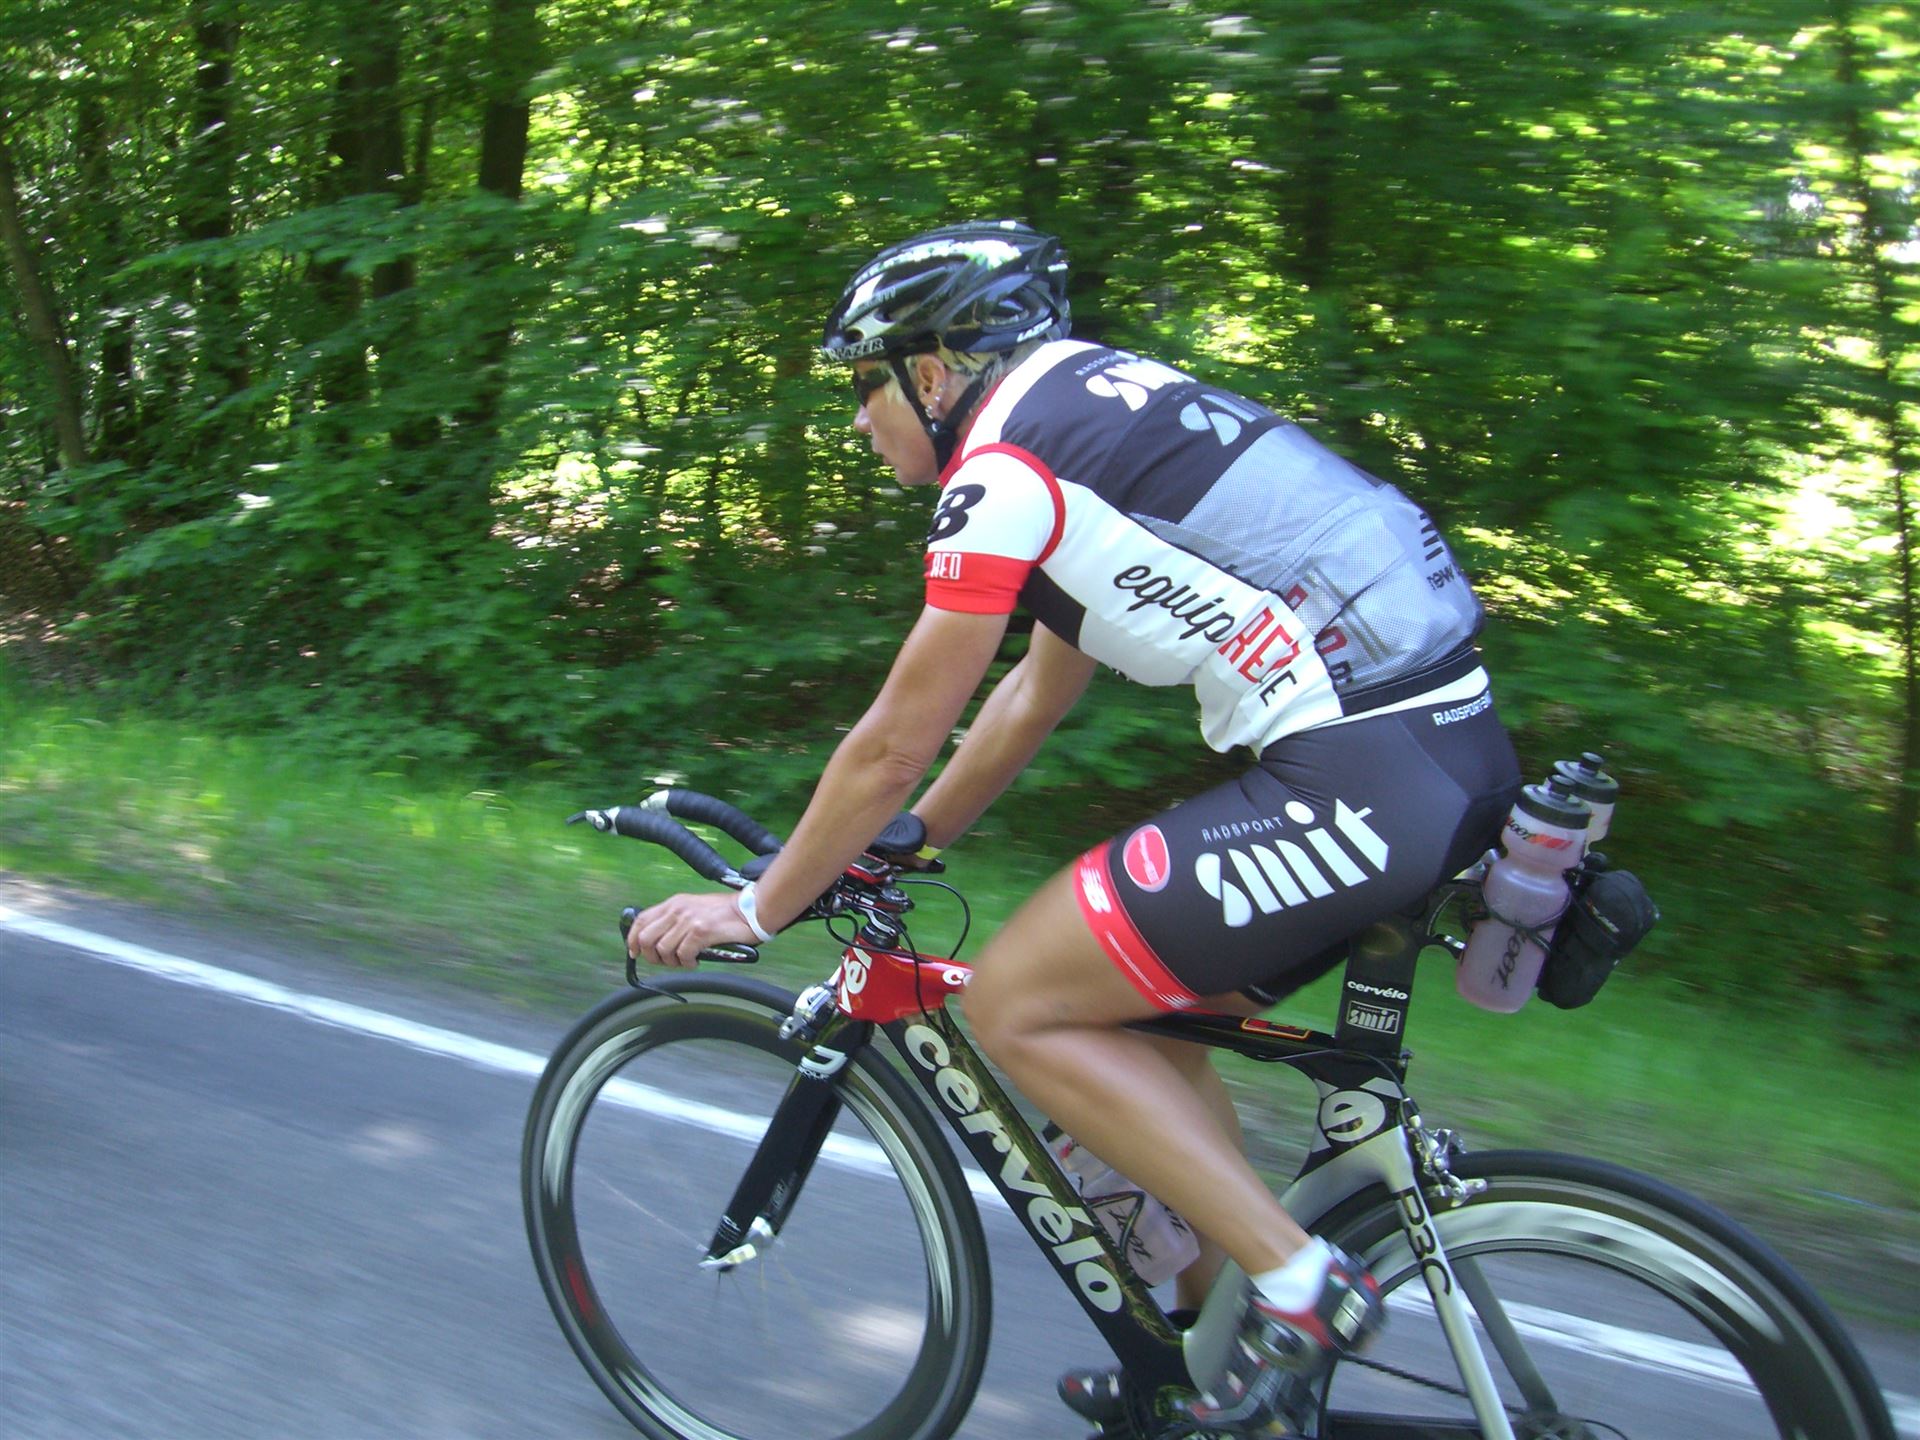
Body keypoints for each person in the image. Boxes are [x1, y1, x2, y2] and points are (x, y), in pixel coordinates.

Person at [626, 220, 1522, 1434]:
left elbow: (893, 737)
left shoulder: (1001, 471)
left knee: (1018, 1004)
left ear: (931, 373)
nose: (859, 419)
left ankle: (1303, 1288)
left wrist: (758, 904)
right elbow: (1032, 695)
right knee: (1137, 1019)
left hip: (1362, 774)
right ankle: (1213, 1360)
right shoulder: (1085, 416)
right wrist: (908, 840)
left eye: (864, 385)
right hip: (1441, 756)